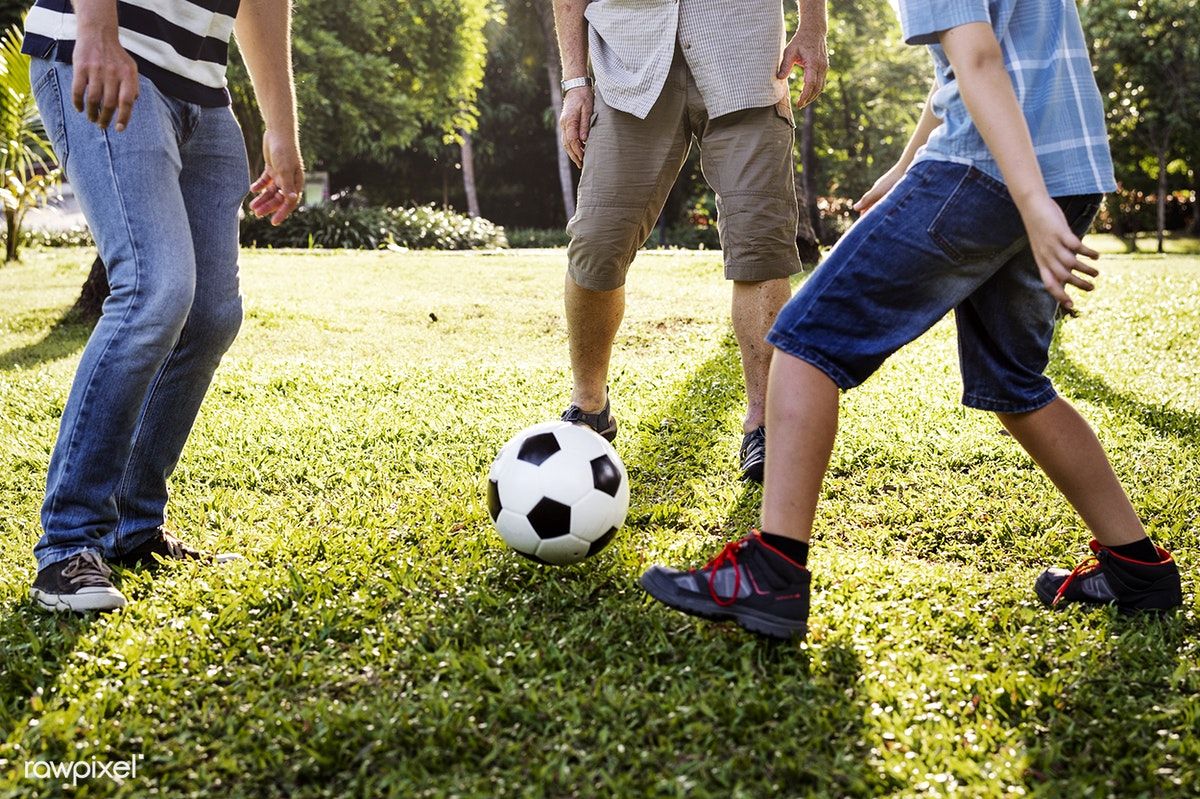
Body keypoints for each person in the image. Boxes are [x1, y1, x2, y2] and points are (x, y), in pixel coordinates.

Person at [640, 0, 1184, 638]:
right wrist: (905, 171)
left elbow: (979, 61)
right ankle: (1137, 566)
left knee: (801, 341)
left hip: (987, 171)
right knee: (1016, 383)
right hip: (1070, 170)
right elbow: (966, 59)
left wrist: (1030, 206)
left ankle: (772, 570)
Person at [24, 0, 304, 612]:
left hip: (203, 90)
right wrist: (96, 32)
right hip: (108, 52)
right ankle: (69, 544)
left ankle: (133, 528)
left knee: (210, 315)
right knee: (154, 290)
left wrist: (280, 126)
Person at [551, 0, 828, 482]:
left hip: (744, 55)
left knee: (760, 248)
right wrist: (576, 82)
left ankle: (763, 425)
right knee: (597, 244)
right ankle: (590, 407)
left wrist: (813, 26)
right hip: (628, 63)